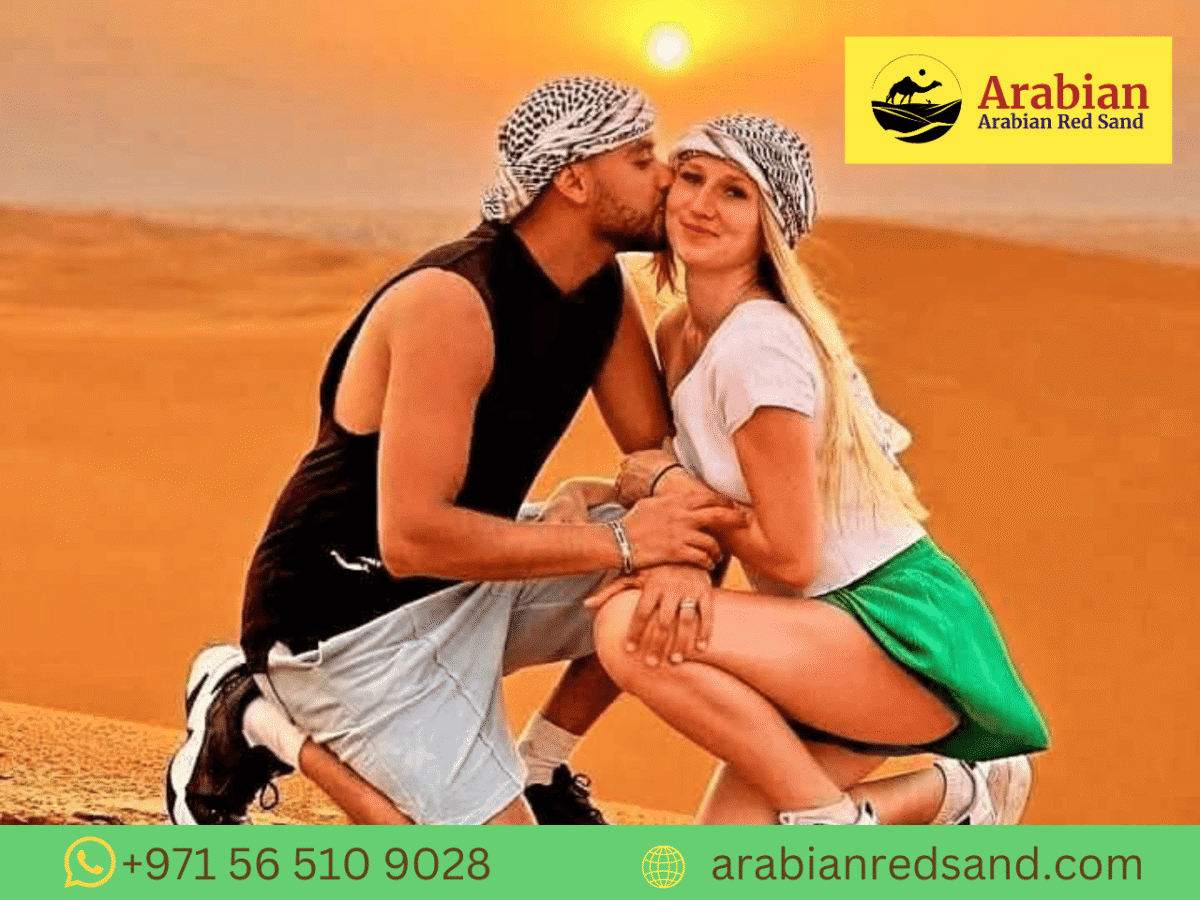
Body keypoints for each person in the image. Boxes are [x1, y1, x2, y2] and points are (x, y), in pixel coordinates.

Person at [165, 76, 744, 826]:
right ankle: (251, 715)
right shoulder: (452, 302)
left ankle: (540, 767)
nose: (666, 176)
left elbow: (655, 451)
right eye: (640, 158)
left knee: (697, 546)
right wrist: (625, 537)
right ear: (573, 178)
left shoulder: (599, 287)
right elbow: (413, 538)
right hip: (346, 623)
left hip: (473, 579)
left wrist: (640, 513)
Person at [588, 114, 1050, 825]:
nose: (702, 204)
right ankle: (960, 796)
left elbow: (792, 555)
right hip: (813, 641)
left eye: (736, 193)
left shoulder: (759, 346)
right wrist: (624, 494)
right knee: (727, 861)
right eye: (692, 177)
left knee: (628, 628)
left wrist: (665, 488)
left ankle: (830, 824)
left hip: (888, 629)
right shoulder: (681, 330)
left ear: (770, 226)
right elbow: (690, 487)